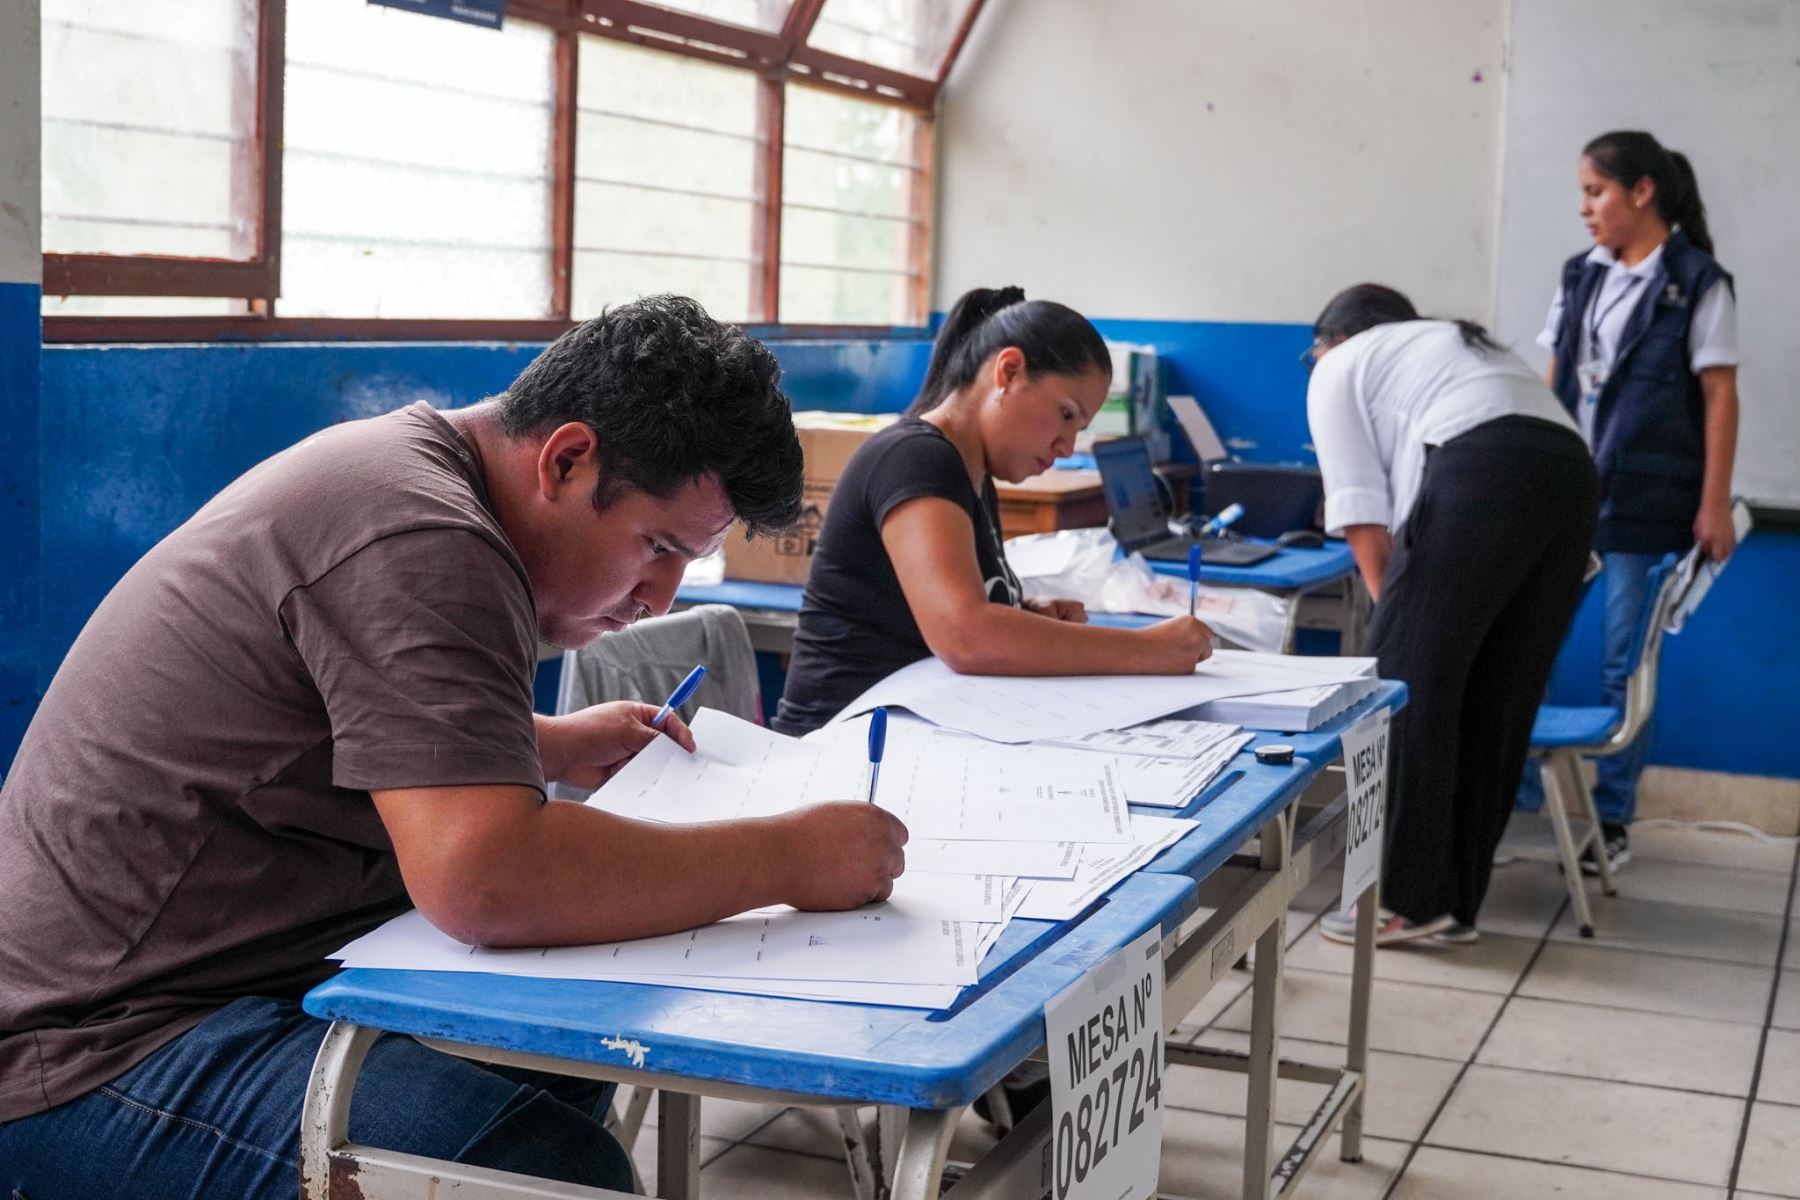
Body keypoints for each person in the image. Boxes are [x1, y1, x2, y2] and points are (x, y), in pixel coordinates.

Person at [0, 296, 909, 1198]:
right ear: (567, 458)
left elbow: (336, 724)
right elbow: (484, 878)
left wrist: (541, 744)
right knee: (548, 1173)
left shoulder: (415, 474)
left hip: (223, 980)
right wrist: (791, 856)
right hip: (94, 1045)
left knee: (562, 1051)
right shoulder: (424, 534)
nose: (658, 599)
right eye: (656, 547)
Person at [773, 286, 1213, 736]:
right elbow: (966, 636)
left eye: (1079, 428)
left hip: (917, 733)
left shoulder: (974, 472)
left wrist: (1021, 614)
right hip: (839, 750)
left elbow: (942, 614)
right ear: (1009, 371)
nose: (1066, 447)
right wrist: (1148, 649)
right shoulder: (916, 459)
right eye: (1065, 414)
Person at [1304, 285, 1599, 946]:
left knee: (1407, 685)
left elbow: (1361, 521)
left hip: (1482, 463)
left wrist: (1404, 628)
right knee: (1500, 697)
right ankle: (1454, 904)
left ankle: (1401, 900)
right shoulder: (1452, 353)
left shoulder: (1337, 368)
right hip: (1571, 471)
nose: (1312, 363)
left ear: (1337, 339)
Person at [1529, 130, 1739, 869]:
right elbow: (1556, 378)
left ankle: (1610, 821)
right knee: (1528, 645)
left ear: (1641, 191)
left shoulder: (1696, 279)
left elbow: (1719, 394)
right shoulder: (1580, 274)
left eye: (1596, 191)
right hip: (1569, 497)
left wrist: (1713, 503)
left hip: (1648, 502)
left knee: (1624, 662)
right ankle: (1523, 802)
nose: (1585, 208)